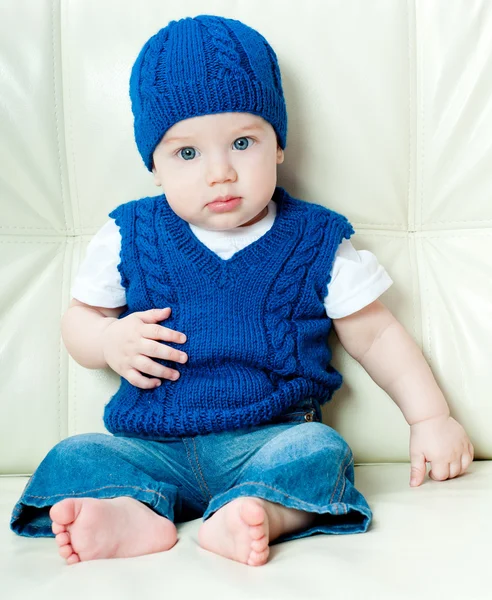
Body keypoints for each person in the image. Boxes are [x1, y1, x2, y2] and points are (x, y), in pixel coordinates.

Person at [10, 14, 473, 568]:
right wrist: (108, 340)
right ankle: (135, 510)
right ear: (153, 166)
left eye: (243, 142)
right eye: (188, 154)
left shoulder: (317, 240)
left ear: (279, 145)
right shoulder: (129, 234)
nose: (221, 172)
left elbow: (375, 336)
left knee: (321, 453)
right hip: (152, 446)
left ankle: (259, 511)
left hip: (268, 439)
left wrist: (430, 418)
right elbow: (78, 322)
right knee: (74, 456)